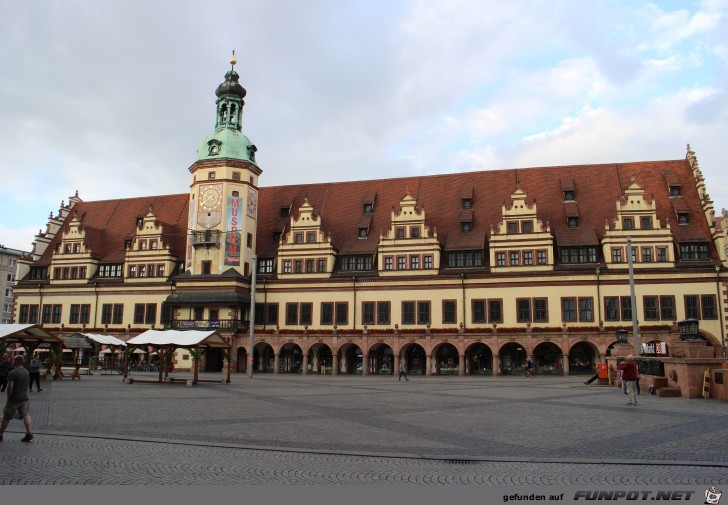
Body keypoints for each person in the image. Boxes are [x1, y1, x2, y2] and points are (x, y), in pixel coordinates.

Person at [0, 355, 33, 442]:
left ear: (17, 361)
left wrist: (9, 398)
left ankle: (0, 434)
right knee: (25, 415)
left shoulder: (13, 373)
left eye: (13, 360)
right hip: (24, 398)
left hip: (14, 399)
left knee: (6, 417)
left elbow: (9, 387)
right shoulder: (26, 372)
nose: (12, 362)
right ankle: (29, 433)